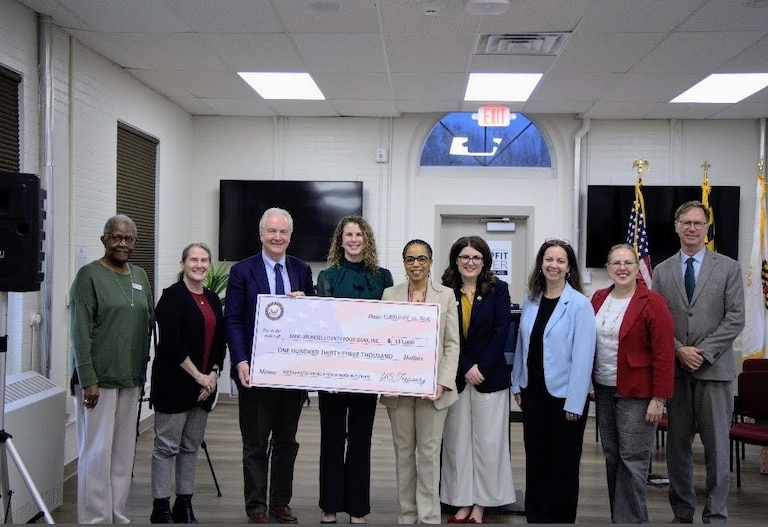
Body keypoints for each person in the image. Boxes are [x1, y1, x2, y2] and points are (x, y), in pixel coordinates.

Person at [651, 201, 745, 524]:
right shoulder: (661, 272)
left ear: (707, 229)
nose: (692, 228)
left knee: (718, 449)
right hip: (676, 373)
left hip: (715, 372)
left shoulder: (729, 268)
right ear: (676, 226)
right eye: (686, 222)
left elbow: (735, 319)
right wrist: (678, 350)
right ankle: (682, 513)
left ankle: (716, 513)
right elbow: (658, 321)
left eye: (698, 223)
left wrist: (701, 352)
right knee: (678, 450)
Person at [224, 207, 315, 524]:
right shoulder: (242, 271)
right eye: (271, 231)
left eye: (283, 232)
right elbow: (233, 320)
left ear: (290, 236)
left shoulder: (302, 270)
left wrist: (306, 303)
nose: (277, 237)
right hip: (256, 372)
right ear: (261, 234)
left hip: (291, 373)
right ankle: (256, 507)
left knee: (287, 442)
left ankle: (280, 503)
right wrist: (240, 361)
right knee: (256, 443)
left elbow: (312, 320)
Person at [69, 214, 153, 524]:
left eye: (129, 238)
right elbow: (80, 333)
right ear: (104, 239)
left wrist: (143, 374)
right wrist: (88, 379)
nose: (122, 244)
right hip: (98, 381)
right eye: (116, 237)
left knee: (122, 456)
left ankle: (117, 514)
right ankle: (95, 519)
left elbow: (146, 325)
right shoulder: (88, 276)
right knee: (96, 454)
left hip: (130, 377)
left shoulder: (141, 276)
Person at [511, 238, 596, 523]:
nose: (554, 265)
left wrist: (576, 401)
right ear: (541, 263)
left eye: (560, 261)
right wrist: (517, 382)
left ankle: (560, 518)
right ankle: (536, 516)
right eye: (549, 259)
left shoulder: (580, 305)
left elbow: (584, 357)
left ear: (569, 267)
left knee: (563, 463)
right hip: (532, 393)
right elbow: (523, 344)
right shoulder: (531, 298)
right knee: (536, 459)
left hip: (564, 399)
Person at [315, 216, 393, 524]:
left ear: (367, 239)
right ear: (340, 240)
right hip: (333, 374)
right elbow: (323, 326)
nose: (353, 239)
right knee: (331, 438)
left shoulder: (383, 277)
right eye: (348, 234)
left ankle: (357, 507)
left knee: (361, 439)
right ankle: (330, 505)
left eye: (358, 234)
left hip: (367, 373)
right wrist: (326, 371)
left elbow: (389, 325)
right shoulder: (328, 276)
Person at [590, 243, 675, 523]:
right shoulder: (598, 298)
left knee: (633, 461)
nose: (622, 268)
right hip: (603, 389)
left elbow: (664, 354)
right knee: (613, 456)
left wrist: (659, 398)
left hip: (638, 393)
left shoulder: (652, 301)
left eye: (628, 262)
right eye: (616, 263)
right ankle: (621, 518)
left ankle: (633, 521)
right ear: (608, 268)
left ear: (638, 267)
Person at [380, 239, 460, 524]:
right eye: (410, 259)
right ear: (403, 263)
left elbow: (452, 344)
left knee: (428, 454)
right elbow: (383, 342)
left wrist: (443, 382)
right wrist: (383, 377)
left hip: (433, 390)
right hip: (398, 390)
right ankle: (408, 515)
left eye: (422, 259)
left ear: (431, 262)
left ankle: (428, 517)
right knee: (403, 452)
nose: (416, 264)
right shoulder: (390, 294)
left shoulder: (446, 295)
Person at [439, 236, 515, 524]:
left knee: (488, 443)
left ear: (484, 262)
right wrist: (466, 365)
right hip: (456, 377)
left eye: (476, 258)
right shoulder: (445, 289)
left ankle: (482, 504)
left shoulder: (498, 289)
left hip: (490, 376)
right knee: (457, 443)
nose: (470, 262)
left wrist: (480, 367)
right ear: (456, 260)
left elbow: (502, 331)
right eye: (464, 257)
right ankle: (460, 502)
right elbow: (444, 334)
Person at [149, 243, 226, 523]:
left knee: (190, 446)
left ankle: (184, 503)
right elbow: (170, 342)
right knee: (166, 446)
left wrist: (213, 375)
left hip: (204, 387)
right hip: (175, 384)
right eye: (193, 259)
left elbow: (220, 341)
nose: (199, 265)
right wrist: (198, 376)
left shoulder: (212, 297)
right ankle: (160, 507)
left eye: (204, 260)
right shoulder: (172, 297)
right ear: (183, 263)